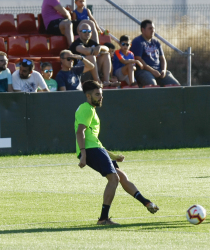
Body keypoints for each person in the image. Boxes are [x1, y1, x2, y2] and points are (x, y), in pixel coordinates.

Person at [75, 80, 159, 225]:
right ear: (88, 96)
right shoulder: (86, 109)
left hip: (95, 148)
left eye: (101, 94)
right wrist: (83, 153)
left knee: (121, 176)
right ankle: (103, 219)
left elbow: (93, 139)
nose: (101, 97)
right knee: (113, 179)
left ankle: (146, 202)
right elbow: (80, 132)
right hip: (90, 150)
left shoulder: (90, 109)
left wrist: (113, 156)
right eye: (97, 95)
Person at [130, 20, 180, 87]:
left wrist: (164, 70)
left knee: (176, 85)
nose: (153, 30)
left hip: (158, 71)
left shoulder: (156, 42)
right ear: (143, 30)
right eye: (150, 28)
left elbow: (162, 58)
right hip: (144, 71)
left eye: (153, 28)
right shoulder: (138, 41)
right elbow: (138, 59)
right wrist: (152, 71)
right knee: (152, 86)